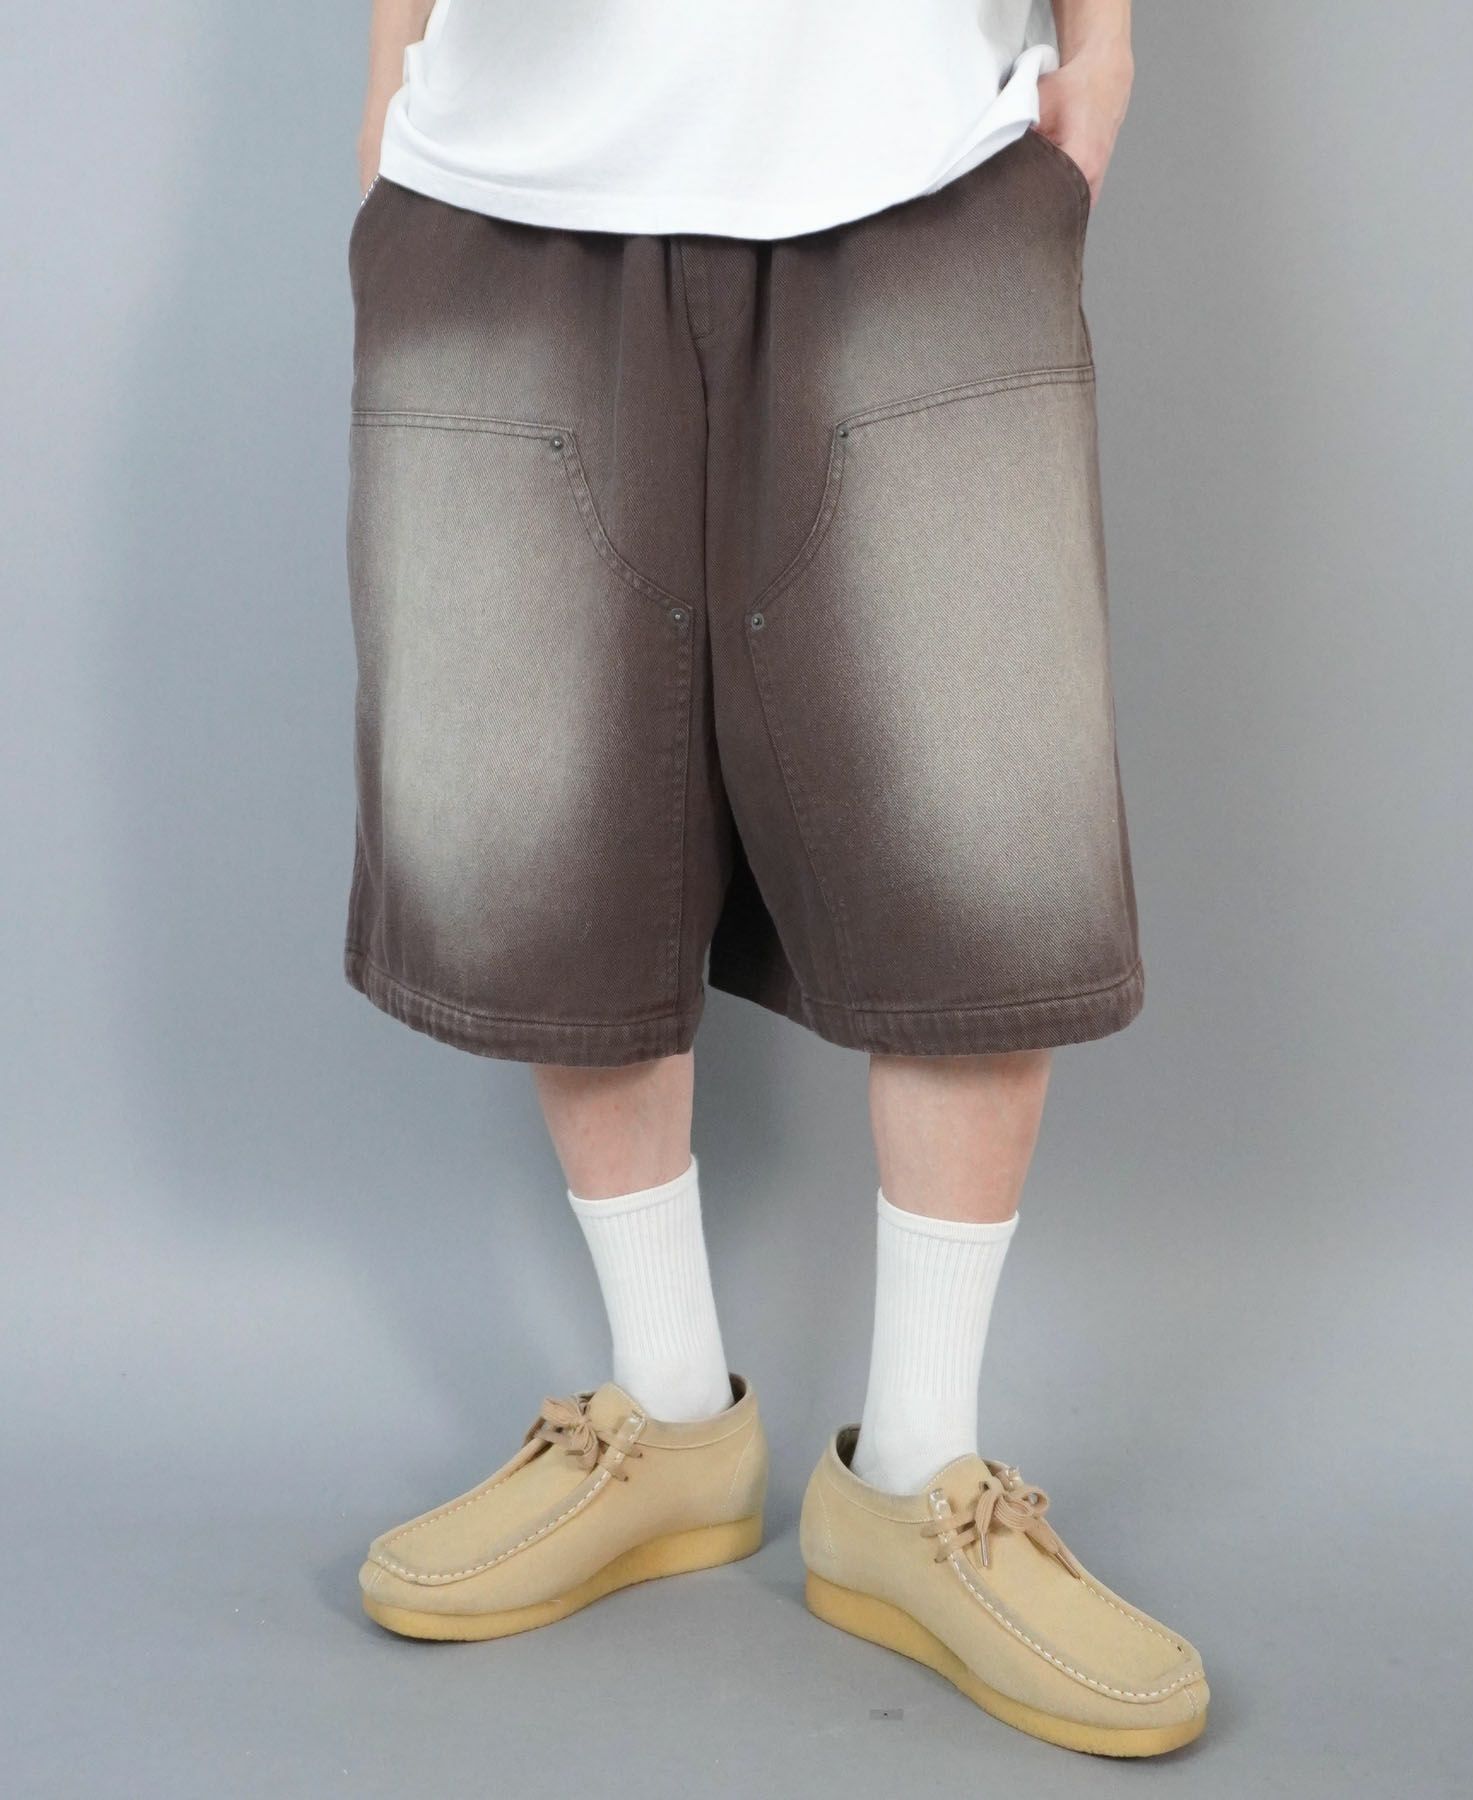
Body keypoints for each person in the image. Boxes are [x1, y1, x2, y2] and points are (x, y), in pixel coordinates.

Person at [345, 0, 1207, 1758]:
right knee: (543, 826)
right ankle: (667, 1416)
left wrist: (1104, 45)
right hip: (505, 177)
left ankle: (918, 1478)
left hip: (921, 160)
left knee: (981, 831)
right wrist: (389, 103)